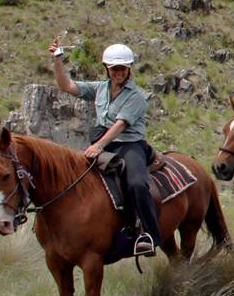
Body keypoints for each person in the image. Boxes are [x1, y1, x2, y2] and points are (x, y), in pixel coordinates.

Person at [49, 40, 160, 257]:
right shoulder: (100, 89)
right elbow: (67, 86)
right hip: (102, 143)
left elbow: (120, 125)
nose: (118, 73)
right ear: (107, 69)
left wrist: (98, 146)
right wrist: (58, 60)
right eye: (114, 69)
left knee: (136, 184)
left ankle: (149, 234)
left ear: (128, 70)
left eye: (122, 68)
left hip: (129, 144)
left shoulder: (137, 96)